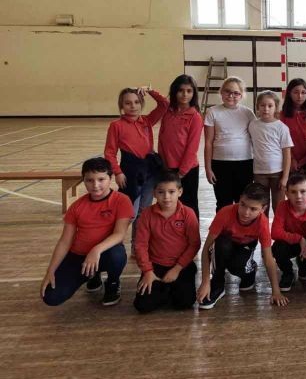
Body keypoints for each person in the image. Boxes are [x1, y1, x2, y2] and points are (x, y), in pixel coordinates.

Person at [40, 157, 133, 307]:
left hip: (105, 253)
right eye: (89, 180)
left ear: (110, 178)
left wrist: (95, 250)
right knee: (51, 297)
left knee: (117, 255)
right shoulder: (76, 206)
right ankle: (92, 274)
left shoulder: (122, 201)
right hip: (79, 256)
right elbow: (65, 241)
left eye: (101, 179)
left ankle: (113, 282)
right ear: (83, 180)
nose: (95, 185)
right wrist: (50, 270)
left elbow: (119, 234)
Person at [196, 182, 288, 309]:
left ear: (263, 209)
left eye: (253, 209)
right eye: (243, 204)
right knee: (221, 244)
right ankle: (217, 284)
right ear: (240, 199)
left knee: (238, 270)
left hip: (245, 247)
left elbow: (268, 258)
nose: (245, 212)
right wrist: (205, 282)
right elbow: (206, 248)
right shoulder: (225, 213)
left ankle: (249, 271)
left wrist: (276, 291)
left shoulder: (262, 223)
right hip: (226, 245)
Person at [104, 85, 168, 242]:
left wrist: (150, 90)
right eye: (128, 103)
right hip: (130, 173)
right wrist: (118, 172)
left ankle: (137, 245)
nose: (133, 106)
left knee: (144, 211)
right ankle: (113, 242)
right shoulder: (116, 125)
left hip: (150, 172)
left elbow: (164, 104)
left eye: (136, 102)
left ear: (141, 103)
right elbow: (110, 152)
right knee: (128, 212)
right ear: (121, 106)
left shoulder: (147, 121)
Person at [133, 171, 200, 313]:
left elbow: (194, 244)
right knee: (142, 306)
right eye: (161, 192)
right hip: (156, 265)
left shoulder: (188, 213)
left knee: (185, 303)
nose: (166, 197)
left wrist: (177, 269)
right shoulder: (146, 214)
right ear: (154, 193)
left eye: (171, 192)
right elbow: (140, 245)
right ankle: (165, 288)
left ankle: (173, 285)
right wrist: (148, 271)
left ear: (180, 192)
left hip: (181, 264)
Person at [203, 76, 256, 212]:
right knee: (223, 202)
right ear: (221, 92)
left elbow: (256, 140)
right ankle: (223, 226)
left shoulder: (248, 113)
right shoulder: (212, 112)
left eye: (236, 93)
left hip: (244, 163)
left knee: (242, 201)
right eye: (227, 91)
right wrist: (208, 168)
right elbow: (208, 142)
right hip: (220, 164)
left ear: (241, 95)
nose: (231, 96)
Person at [158, 74, 204, 220]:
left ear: (194, 93)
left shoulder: (195, 117)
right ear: (174, 91)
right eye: (181, 90)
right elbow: (162, 140)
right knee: (169, 205)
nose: (185, 94)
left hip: (187, 170)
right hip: (167, 168)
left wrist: (182, 173)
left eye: (189, 91)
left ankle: (192, 233)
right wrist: (149, 90)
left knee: (189, 205)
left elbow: (192, 148)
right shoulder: (168, 112)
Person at [271, 173, 306, 292]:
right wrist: (300, 238)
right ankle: (288, 273)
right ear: (286, 193)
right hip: (290, 244)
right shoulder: (282, 206)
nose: (298, 196)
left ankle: (303, 265)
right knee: (278, 248)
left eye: (303, 191)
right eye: (293, 192)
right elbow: (275, 232)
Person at [249, 90, 293, 216]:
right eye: (262, 105)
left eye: (270, 106)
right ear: (257, 107)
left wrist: (285, 177)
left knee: (278, 206)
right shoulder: (253, 125)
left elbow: (287, 154)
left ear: (276, 108)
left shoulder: (281, 127)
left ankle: (279, 229)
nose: (266, 109)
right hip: (259, 173)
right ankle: (262, 228)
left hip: (277, 173)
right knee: (261, 206)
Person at [280, 78, 306, 174]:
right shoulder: (283, 115)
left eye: (303, 92)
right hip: (289, 160)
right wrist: (292, 159)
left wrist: (304, 160)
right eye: (296, 92)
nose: (300, 96)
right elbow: (282, 140)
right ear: (289, 93)